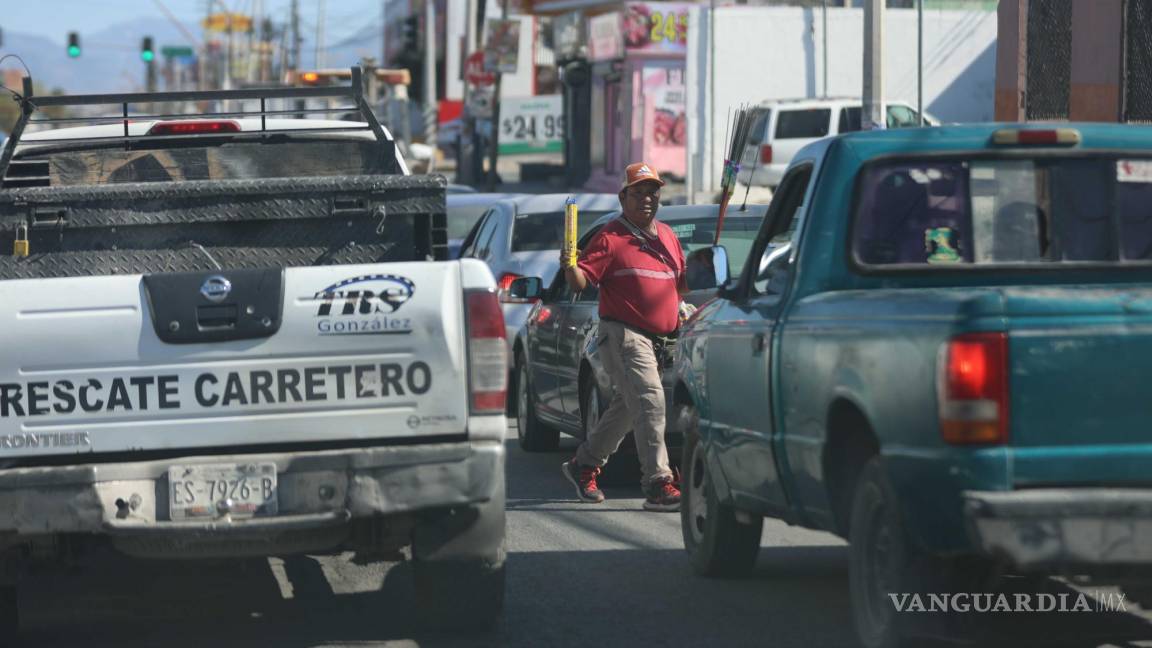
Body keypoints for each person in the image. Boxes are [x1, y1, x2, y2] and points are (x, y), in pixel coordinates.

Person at [559, 162, 685, 512]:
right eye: (638, 192)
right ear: (622, 197)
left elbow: (680, 285)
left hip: (663, 342)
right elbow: (581, 281)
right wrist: (571, 266)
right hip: (624, 335)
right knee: (650, 400)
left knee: (628, 410)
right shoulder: (611, 237)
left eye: (652, 192)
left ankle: (583, 464)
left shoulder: (669, 238)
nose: (646, 199)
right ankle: (658, 483)